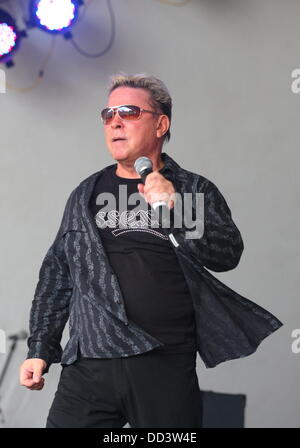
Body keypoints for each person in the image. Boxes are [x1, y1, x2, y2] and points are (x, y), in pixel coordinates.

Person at [19, 74, 283, 428]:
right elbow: (57, 275)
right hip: (91, 363)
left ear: (161, 124)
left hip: (164, 363)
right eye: (108, 113)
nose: (115, 121)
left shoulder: (192, 188)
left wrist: (176, 206)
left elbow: (227, 254)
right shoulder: (85, 194)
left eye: (128, 112)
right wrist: (40, 349)